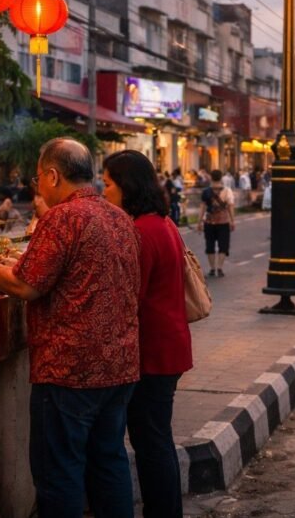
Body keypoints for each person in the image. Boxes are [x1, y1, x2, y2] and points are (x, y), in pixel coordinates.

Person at [0, 138, 141, 517]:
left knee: (60, 475)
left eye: (39, 177)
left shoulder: (63, 217)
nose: (37, 185)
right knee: (108, 463)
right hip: (119, 367)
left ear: (53, 175)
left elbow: (25, 285)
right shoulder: (119, 217)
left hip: (70, 371)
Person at [102, 150, 192, 518]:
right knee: (157, 438)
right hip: (168, 346)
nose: (103, 192)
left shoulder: (140, 232)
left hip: (153, 352)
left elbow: (130, 297)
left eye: (107, 184)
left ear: (127, 186)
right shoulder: (162, 222)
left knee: (150, 441)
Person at [197, 169, 235, 277]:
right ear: (221, 178)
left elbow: (202, 208)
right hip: (223, 222)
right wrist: (232, 221)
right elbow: (230, 207)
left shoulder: (206, 192)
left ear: (211, 177)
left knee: (210, 245)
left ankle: (212, 268)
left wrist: (199, 222)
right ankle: (220, 268)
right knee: (223, 245)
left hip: (209, 222)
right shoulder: (227, 191)